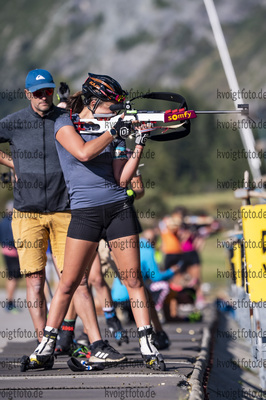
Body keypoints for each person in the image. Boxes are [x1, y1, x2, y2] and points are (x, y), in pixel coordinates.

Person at [28, 72, 165, 371]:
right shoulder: (64, 124)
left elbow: (122, 177)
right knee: (69, 283)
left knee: (133, 280)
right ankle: (46, 345)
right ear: (92, 102)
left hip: (118, 208)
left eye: (117, 109)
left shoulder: (113, 128)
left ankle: (147, 344)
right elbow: (84, 153)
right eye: (110, 108)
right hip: (85, 212)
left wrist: (138, 142)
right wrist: (113, 130)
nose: (114, 113)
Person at [0, 69, 74, 342]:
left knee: (71, 279)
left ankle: (66, 332)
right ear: (27, 93)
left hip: (64, 210)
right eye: (39, 92)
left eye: (49, 91)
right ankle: (44, 341)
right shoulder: (15, 121)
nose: (45, 97)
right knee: (35, 280)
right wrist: (13, 163)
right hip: (26, 212)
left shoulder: (64, 119)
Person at [0, 200, 22, 312]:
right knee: (13, 278)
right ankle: (9, 302)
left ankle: (10, 301)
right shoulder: (13, 221)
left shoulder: (3, 221)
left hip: (6, 251)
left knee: (12, 277)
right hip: (13, 252)